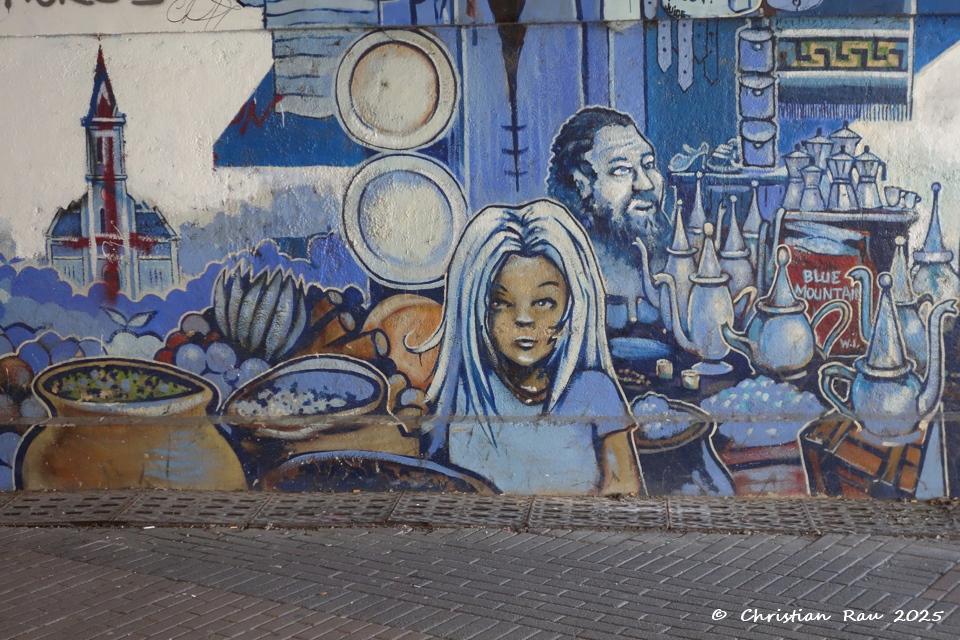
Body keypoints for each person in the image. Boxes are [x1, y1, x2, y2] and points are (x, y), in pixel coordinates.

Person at [416, 199, 643, 496]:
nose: (524, 319)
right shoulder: (464, 392)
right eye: (501, 302)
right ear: (477, 309)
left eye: (544, 302)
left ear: (572, 306)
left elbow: (623, 491)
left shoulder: (594, 390)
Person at [547, 106, 670, 323]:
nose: (646, 184)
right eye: (621, 170)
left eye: (648, 164)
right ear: (582, 184)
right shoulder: (556, 276)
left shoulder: (677, 261)